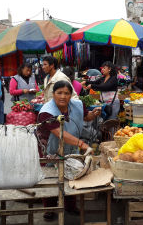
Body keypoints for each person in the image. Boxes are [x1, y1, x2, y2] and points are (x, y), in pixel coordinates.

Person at [36, 80, 101, 220]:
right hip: (51, 148)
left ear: (71, 95)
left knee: (72, 175)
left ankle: (70, 206)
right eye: (59, 93)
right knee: (52, 178)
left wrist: (93, 114)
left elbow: (85, 116)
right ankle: (50, 209)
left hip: (71, 147)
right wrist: (83, 145)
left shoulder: (77, 105)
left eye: (66, 93)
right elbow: (60, 134)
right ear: (53, 94)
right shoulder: (46, 112)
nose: (63, 96)